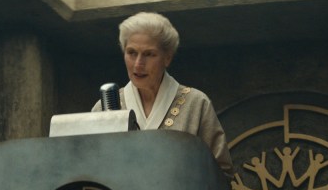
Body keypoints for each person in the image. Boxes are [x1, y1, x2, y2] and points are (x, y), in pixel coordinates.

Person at [92, 11, 234, 176]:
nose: (138, 64)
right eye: (131, 53)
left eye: (149, 54)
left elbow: (223, 174)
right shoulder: (104, 107)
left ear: (167, 58)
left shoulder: (196, 104)